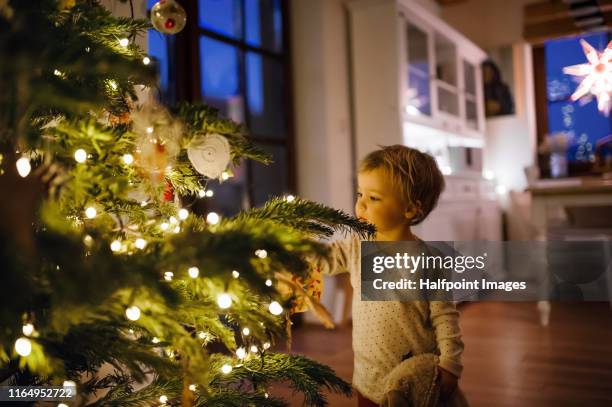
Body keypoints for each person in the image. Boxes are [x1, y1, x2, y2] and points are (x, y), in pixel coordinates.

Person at [313, 145, 468, 406]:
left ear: (409, 209)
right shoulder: (356, 245)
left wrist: (450, 364)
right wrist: (291, 251)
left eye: (373, 198)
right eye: (360, 193)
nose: (360, 204)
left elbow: (445, 315)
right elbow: (324, 260)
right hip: (367, 377)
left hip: (411, 382)